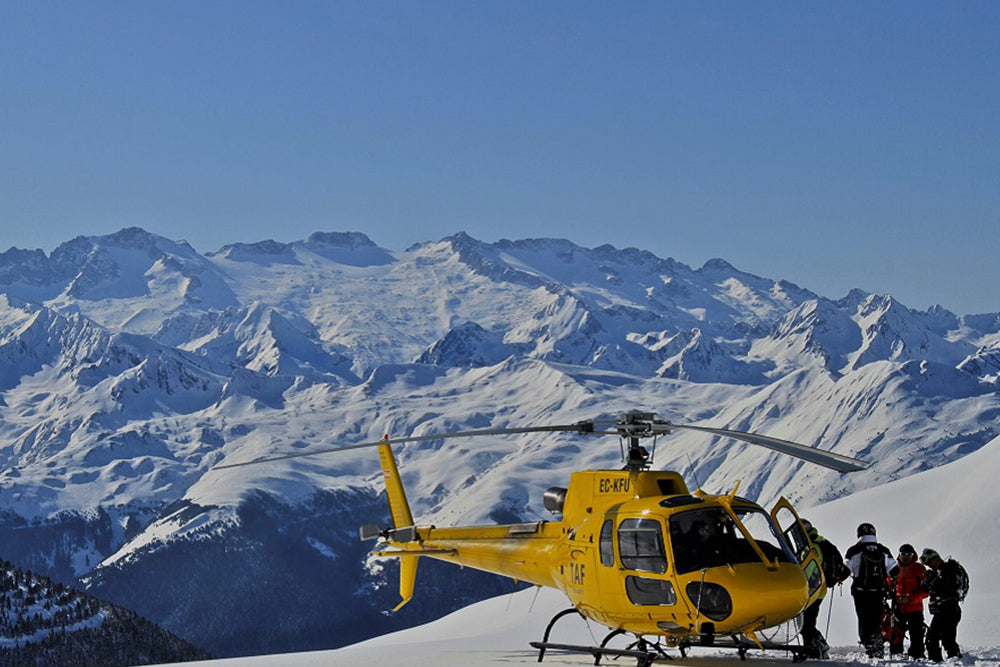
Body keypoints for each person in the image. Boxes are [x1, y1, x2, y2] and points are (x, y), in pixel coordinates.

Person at [845, 522, 897, 658]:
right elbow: (895, 571)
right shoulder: (883, 550)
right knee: (875, 619)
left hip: (860, 591)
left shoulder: (854, 550)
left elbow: (845, 570)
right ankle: (876, 644)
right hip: (878, 591)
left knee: (863, 618)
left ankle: (869, 643)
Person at [799, 519, 849, 659]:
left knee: (806, 623)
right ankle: (817, 647)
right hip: (819, 590)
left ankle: (816, 649)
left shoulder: (811, 547)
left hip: (813, 591)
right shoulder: (821, 542)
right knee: (807, 622)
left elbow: (810, 569)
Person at [921, 548, 969, 662]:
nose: (929, 566)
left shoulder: (947, 570)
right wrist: (929, 579)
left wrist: (931, 579)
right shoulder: (940, 572)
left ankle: (937, 662)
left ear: (936, 559)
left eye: (929, 562)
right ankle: (954, 659)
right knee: (947, 639)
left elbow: (943, 588)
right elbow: (927, 589)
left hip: (947, 609)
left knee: (932, 638)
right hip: (947, 609)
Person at [888, 543, 927, 658]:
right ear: (899, 555)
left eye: (908, 554)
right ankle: (896, 656)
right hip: (897, 607)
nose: (905, 556)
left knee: (917, 635)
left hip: (915, 608)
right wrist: (894, 597)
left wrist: (910, 598)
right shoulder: (894, 568)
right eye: (903, 553)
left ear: (913, 555)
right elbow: (888, 585)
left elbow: (926, 590)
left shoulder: (919, 569)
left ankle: (917, 656)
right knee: (895, 634)